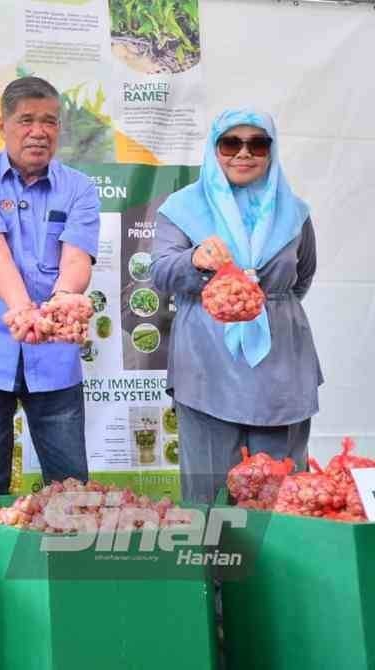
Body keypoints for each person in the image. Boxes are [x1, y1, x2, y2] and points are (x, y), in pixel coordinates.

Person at [0, 76, 101, 501]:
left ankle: (68, 562)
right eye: (26, 119)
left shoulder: (80, 189)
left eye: (49, 121)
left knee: (70, 484)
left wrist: (65, 300)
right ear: (2, 125)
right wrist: (22, 309)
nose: (38, 131)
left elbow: (76, 258)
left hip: (53, 356)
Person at [152, 108, 321, 503]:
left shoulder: (294, 212)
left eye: (257, 144)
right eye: (231, 142)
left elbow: (303, 276)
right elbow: (160, 272)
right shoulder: (182, 208)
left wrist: (266, 305)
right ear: (215, 149)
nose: (243, 153)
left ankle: (280, 565)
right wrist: (195, 260)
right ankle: (213, 565)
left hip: (282, 366)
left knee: (283, 490)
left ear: (271, 151)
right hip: (206, 363)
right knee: (209, 490)